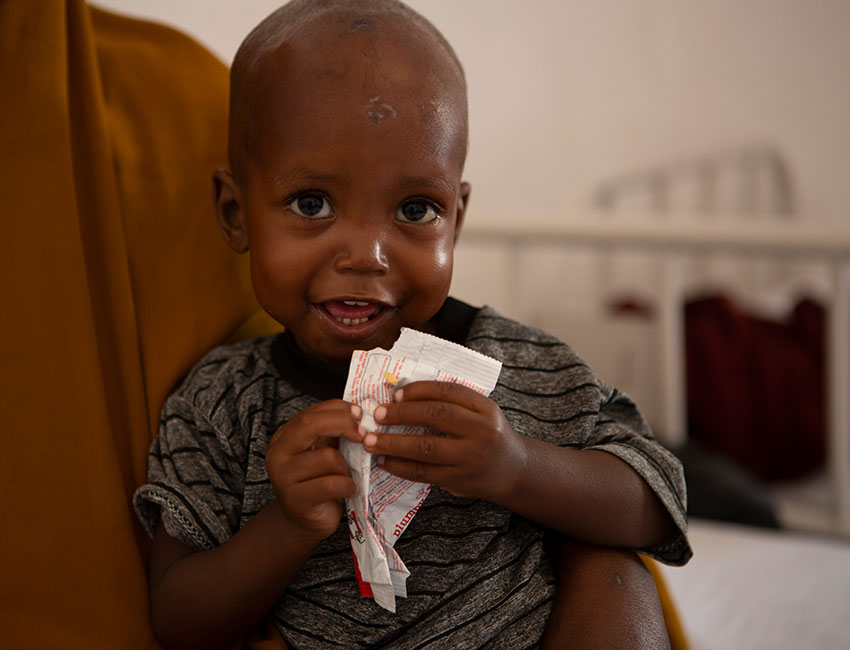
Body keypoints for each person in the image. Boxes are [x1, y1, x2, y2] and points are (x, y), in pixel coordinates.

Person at [133, 1, 691, 648]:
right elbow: (176, 619)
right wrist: (284, 525)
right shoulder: (225, 405)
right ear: (236, 214)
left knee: (621, 576)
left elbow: (658, 502)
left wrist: (516, 467)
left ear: (455, 219)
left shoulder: (514, 366)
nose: (366, 256)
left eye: (415, 209)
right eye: (312, 204)